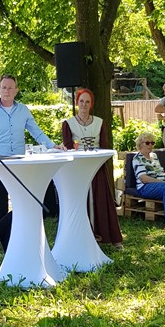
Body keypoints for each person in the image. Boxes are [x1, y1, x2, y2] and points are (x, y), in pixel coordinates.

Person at [0, 75, 56, 254]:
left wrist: (54, 146)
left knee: (28, 203)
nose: (7, 91)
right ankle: (9, 252)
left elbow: (36, 132)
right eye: (3, 87)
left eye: (10, 87)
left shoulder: (23, 110)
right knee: (0, 207)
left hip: (19, 163)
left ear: (16, 90)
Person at [60, 88, 123, 247]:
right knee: (81, 200)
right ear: (77, 102)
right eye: (81, 101)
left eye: (87, 102)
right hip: (78, 168)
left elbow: (104, 145)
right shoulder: (69, 124)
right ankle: (83, 237)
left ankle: (107, 236)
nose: (84, 105)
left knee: (101, 199)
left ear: (91, 104)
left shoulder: (99, 122)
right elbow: (68, 147)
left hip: (96, 167)